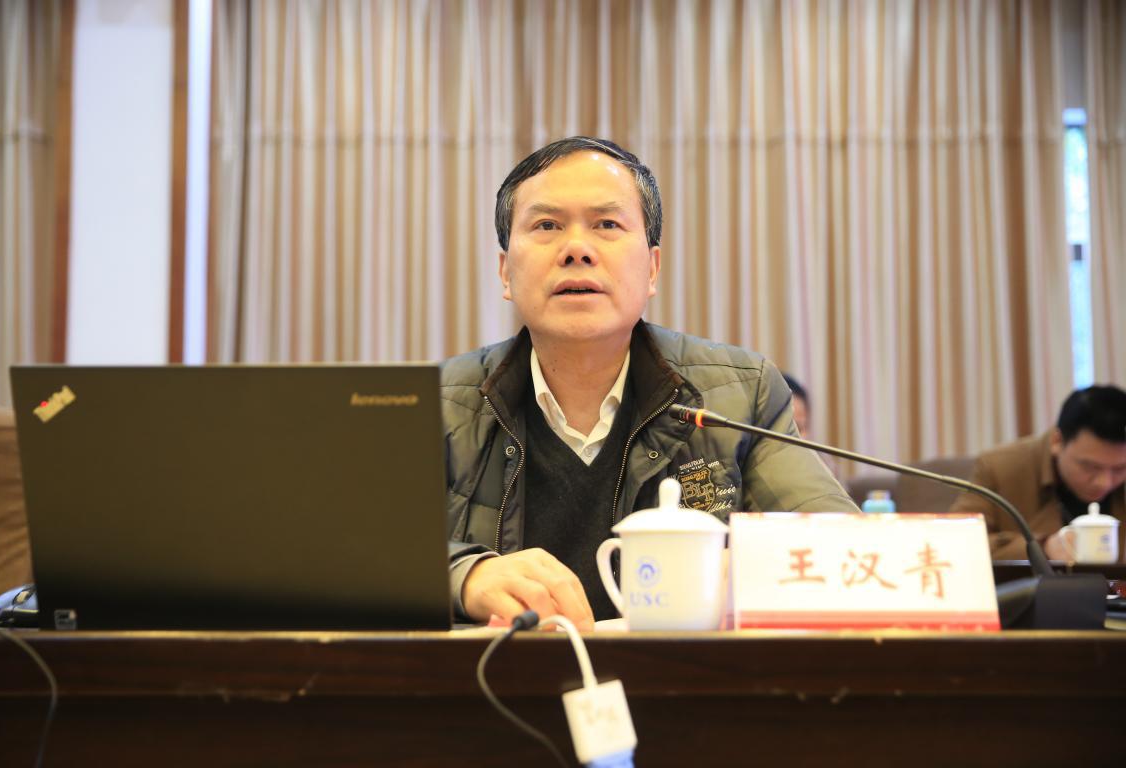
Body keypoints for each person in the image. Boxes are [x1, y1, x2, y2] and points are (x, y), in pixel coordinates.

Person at [441, 136, 856, 629]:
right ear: (506, 272)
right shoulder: (439, 404)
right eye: (547, 225)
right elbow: (362, 559)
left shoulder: (742, 393)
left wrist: (741, 570)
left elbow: (841, 551)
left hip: (682, 675)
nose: (577, 250)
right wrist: (463, 575)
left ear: (652, 268)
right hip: (497, 674)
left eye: (607, 225)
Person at [948, 385, 1126, 562]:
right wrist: (1042, 548)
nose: (1104, 482)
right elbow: (955, 541)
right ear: (1057, 441)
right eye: (1090, 467)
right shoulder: (999, 468)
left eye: (1119, 469)